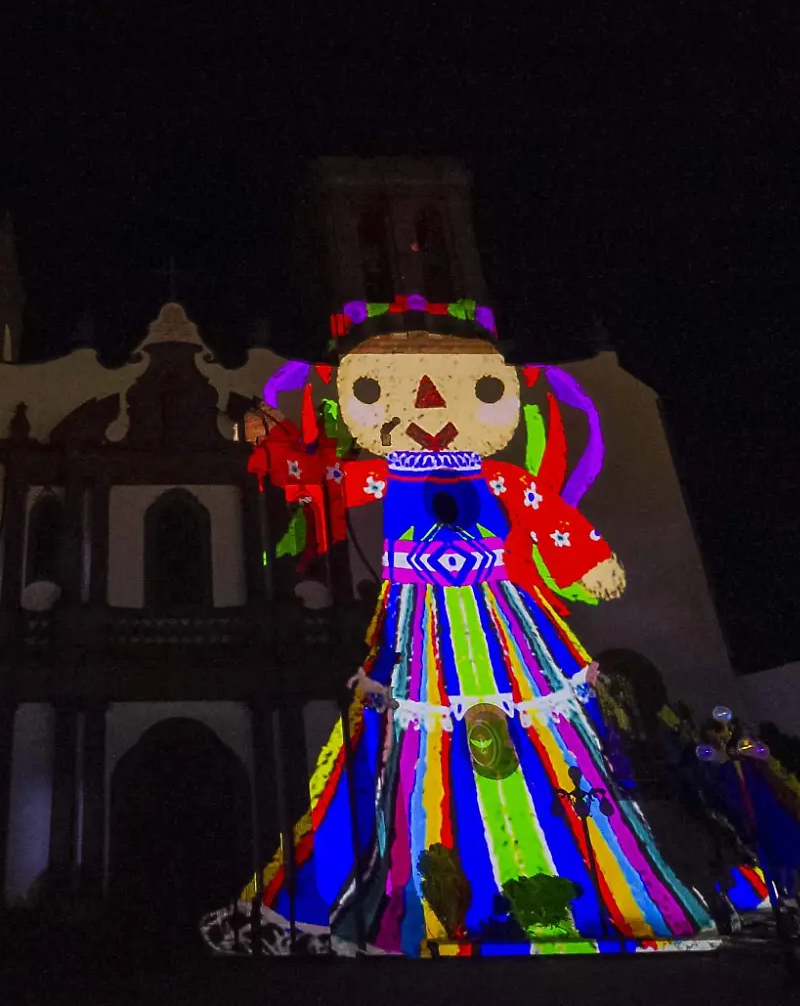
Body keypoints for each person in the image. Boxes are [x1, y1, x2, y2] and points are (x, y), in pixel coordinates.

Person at [208, 301, 716, 957]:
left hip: (505, 622)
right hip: (420, 627)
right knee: (407, 752)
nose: (427, 406)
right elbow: (315, 479)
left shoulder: (498, 475)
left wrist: (586, 559)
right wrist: (268, 437)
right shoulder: (386, 472)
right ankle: (438, 891)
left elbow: (547, 512)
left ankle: (572, 885)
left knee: (549, 749)